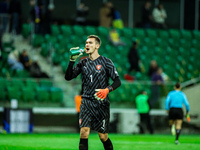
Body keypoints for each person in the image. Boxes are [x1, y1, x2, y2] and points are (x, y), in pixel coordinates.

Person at [65, 35, 121, 150]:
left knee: (103, 136)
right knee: (84, 132)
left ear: (97, 46)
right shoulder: (82, 63)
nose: (87, 45)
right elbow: (68, 77)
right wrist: (71, 61)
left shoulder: (106, 62)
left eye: (90, 43)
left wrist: (107, 90)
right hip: (86, 101)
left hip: (102, 103)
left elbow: (117, 81)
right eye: (86, 43)